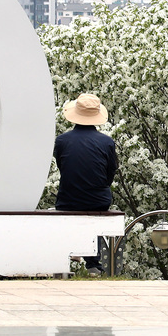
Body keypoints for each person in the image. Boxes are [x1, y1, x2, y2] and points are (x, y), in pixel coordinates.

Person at [54, 93, 118, 275]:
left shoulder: (62, 141)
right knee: (93, 211)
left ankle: (77, 251)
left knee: (71, 207)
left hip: (69, 199)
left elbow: (63, 167)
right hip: (98, 198)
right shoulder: (106, 142)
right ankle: (93, 263)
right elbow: (110, 172)